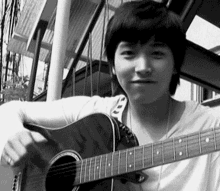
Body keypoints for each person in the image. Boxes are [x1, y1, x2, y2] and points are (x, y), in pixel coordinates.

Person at [0, 0, 220, 190]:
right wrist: (12, 136)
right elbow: (10, 110)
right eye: (129, 53)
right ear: (113, 65)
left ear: (175, 64)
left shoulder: (210, 127)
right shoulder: (95, 113)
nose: (143, 66)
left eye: (157, 53)